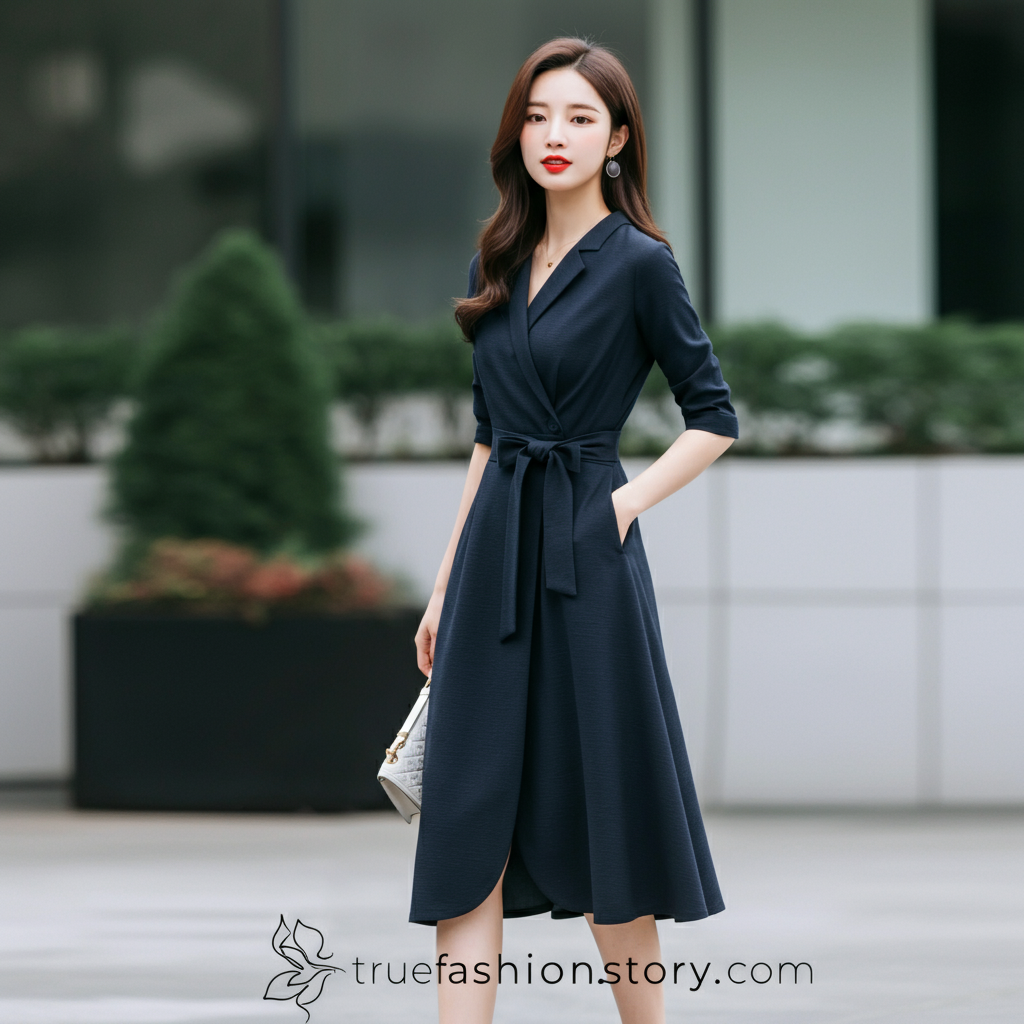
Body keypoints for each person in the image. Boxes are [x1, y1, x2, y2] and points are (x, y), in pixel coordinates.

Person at [411, 37, 738, 1024]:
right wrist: (441, 584)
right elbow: (486, 436)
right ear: (516, 131)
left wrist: (620, 506)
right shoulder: (493, 258)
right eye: (539, 115)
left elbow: (713, 415)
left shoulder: (641, 264)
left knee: (608, 819)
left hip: (587, 561)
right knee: (465, 821)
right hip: (490, 568)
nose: (554, 136)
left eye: (580, 118)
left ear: (618, 141)